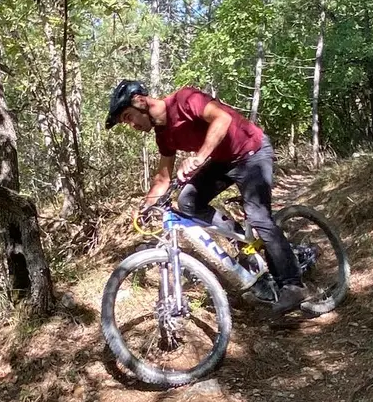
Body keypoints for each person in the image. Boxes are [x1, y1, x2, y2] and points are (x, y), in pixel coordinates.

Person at [105, 79, 306, 313]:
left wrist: (199, 158)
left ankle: (293, 285)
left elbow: (222, 119)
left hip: (252, 152)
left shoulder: (184, 99)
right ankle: (243, 240)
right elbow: (162, 179)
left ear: (140, 101)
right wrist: (145, 207)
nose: (131, 125)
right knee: (187, 201)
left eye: (128, 117)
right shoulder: (163, 135)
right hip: (223, 161)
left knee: (258, 216)